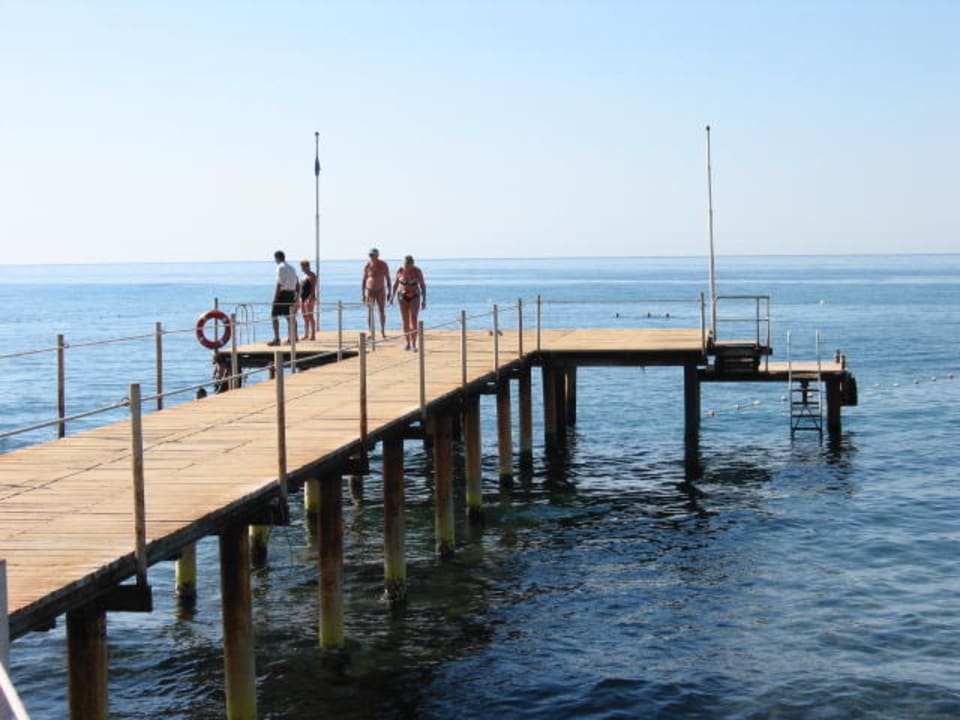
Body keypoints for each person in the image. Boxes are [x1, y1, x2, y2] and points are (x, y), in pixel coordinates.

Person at [391, 254, 426, 351]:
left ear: (412, 264)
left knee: (414, 318)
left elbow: (423, 285)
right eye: (406, 264)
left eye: (409, 265)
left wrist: (424, 300)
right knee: (405, 321)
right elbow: (395, 284)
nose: (407, 267)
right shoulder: (400, 271)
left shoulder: (417, 271)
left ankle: (414, 344)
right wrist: (391, 296)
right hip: (402, 296)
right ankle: (407, 343)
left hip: (415, 296)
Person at [268, 250, 299, 346]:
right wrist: (296, 296)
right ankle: (293, 337)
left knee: (274, 315)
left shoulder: (280, 267)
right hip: (291, 293)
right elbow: (297, 283)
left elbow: (279, 284)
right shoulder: (292, 268)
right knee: (290, 316)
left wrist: (275, 298)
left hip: (283, 293)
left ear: (277, 258)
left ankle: (277, 338)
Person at [362, 248, 391, 338]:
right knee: (370, 311)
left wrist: (390, 291)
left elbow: (388, 278)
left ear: (377, 255)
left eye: (372, 255)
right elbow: (364, 279)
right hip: (370, 290)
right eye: (369, 255)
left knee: (381, 310)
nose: (371, 257)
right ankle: (371, 332)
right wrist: (363, 293)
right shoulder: (368, 265)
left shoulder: (383, 265)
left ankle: (382, 331)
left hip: (380, 290)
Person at [299, 259, 318, 341]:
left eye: (303, 267)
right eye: (301, 267)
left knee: (310, 316)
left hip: (309, 298)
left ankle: (313, 334)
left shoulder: (312, 275)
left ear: (307, 266)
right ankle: (306, 334)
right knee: (304, 316)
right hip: (302, 297)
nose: (302, 268)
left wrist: (311, 297)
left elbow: (313, 287)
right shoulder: (303, 276)